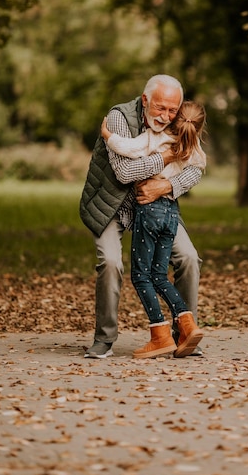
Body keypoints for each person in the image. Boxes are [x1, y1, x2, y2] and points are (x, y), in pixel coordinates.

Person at [80, 74, 204, 359]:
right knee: (110, 262)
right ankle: (104, 339)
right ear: (145, 100)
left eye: (172, 110)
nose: (166, 116)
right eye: (160, 108)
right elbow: (124, 173)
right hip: (111, 203)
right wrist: (166, 158)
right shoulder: (118, 118)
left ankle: (184, 333)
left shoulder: (178, 120)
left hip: (156, 204)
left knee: (188, 257)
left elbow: (196, 167)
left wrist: (169, 185)